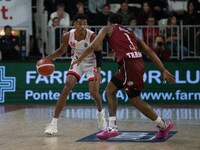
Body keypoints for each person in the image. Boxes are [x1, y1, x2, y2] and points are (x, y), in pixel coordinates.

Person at [71, 13, 175, 140]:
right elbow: (149, 51)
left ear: (109, 22)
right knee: (110, 90)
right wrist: (162, 69)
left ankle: (161, 125)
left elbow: (93, 45)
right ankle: (161, 126)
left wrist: (80, 59)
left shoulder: (107, 28)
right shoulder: (130, 33)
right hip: (138, 63)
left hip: (128, 65)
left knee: (135, 100)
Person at [43, 13, 107, 135]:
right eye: (79, 23)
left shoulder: (92, 36)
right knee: (67, 87)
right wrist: (48, 58)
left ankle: (100, 115)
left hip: (91, 63)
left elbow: (99, 54)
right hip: (77, 62)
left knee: (94, 92)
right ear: (74, 24)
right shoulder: (67, 35)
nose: (82, 26)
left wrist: (98, 71)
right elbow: (62, 50)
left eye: (84, 24)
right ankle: (53, 124)